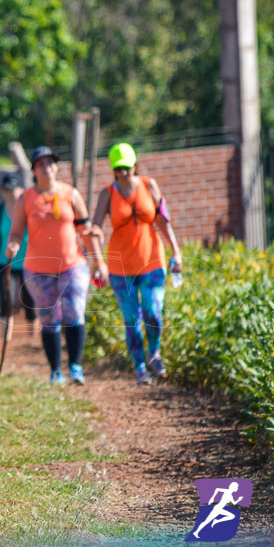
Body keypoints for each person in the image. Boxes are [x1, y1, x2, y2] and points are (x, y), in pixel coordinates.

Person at [5, 146, 104, 385]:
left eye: (50, 163)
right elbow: (16, 232)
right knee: (49, 318)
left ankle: (75, 367)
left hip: (72, 264)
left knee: (74, 312)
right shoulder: (26, 199)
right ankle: (55, 372)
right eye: (40, 164)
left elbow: (86, 230)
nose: (46, 168)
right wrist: (13, 245)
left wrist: (100, 261)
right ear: (34, 170)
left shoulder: (71, 194)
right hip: (38, 269)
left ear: (56, 166)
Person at [91, 143, 183, 385]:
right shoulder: (107, 194)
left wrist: (177, 252)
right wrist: (97, 258)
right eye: (118, 168)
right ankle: (139, 368)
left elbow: (163, 220)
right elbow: (96, 228)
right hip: (120, 268)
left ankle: (154, 354)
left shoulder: (148, 185)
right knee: (132, 320)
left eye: (126, 167)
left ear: (135, 165)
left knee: (153, 312)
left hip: (152, 260)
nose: (123, 172)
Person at [0, 173, 37, 340]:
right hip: (4, 262)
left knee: (29, 301)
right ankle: (6, 339)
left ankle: (32, 338)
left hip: (27, 263)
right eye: (5, 189)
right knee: (5, 301)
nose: (9, 193)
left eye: (12, 189)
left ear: (20, 190)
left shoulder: (28, 210)